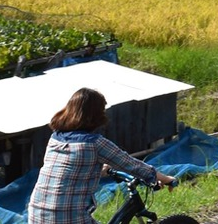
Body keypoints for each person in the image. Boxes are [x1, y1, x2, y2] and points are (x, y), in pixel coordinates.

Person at [27, 87, 175, 224]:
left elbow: (68, 169)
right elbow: (132, 165)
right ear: (95, 115)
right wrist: (166, 179)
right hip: (66, 216)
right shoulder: (94, 143)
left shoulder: (55, 138)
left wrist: (99, 170)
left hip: (36, 212)